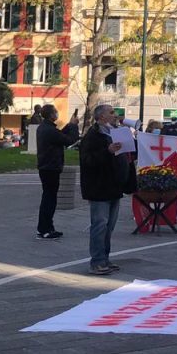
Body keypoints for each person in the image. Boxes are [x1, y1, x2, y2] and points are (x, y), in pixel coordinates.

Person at [79, 104, 130, 275]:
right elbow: (87, 160)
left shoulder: (114, 132)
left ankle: (105, 258)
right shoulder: (93, 136)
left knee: (109, 226)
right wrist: (107, 151)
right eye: (111, 112)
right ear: (101, 117)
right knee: (99, 225)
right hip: (99, 187)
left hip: (113, 186)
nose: (114, 115)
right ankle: (97, 261)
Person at [34, 106, 79, 240]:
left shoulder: (45, 128)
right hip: (51, 167)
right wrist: (74, 126)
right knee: (50, 199)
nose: (57, 114)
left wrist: (70, 124)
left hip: (46, 167)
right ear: (51, 115)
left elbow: (60, 135)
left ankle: (45, 227)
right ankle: (45, 229)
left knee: (48, 197)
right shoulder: (49, 130)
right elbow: (69, 140)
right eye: (55, 112)